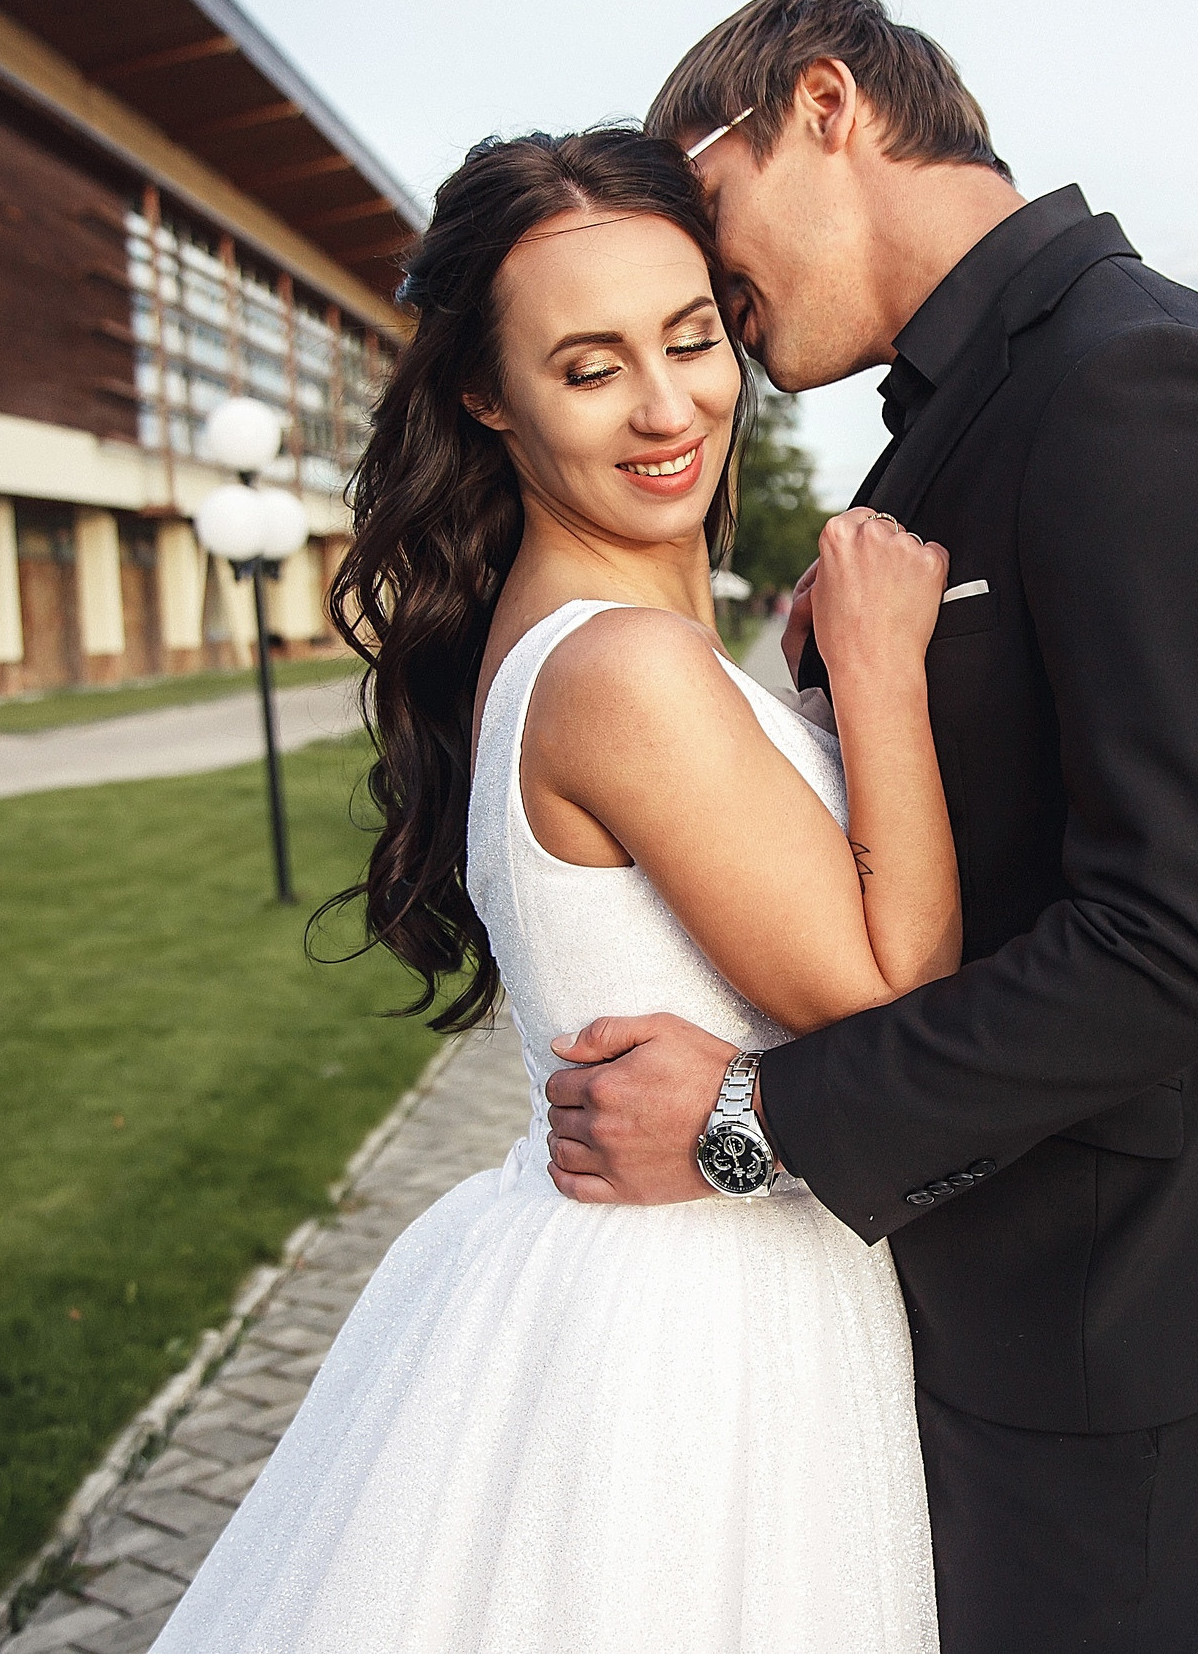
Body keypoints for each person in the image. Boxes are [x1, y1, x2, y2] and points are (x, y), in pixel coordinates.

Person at [544, 0, 1198, 1653]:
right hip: (946, 1291)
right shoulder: (949, 425)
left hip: (1095, 1320)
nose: (706, 292)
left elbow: (1175, 951)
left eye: (701, 211)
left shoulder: (1144, 387)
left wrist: (751, 1117)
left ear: (824, 106)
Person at [150, 127, 954, 1652]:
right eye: (589, 370)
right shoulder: (624, 663)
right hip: (691, 1334)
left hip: (644, 1271)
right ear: (485, 393)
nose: (669, 409)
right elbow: (894, 1002)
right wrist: (882, 669)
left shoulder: (588, 634)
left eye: (693, 338)